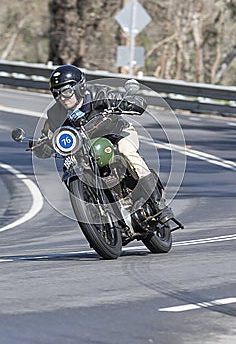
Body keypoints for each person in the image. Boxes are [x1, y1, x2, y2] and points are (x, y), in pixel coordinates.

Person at [31, 64, 173, 224]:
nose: (62, 97)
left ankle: (158, 204)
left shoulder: (99, 93)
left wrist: (128, 103)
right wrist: (41, 145)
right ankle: (97, 210)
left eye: (66, 91)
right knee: (71, 167)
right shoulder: (54, 114)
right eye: (56, 93)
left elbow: (127, 101)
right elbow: (50, 134)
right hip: (84, 149)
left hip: (117, 133)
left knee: (126, 151)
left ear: (79, 87)